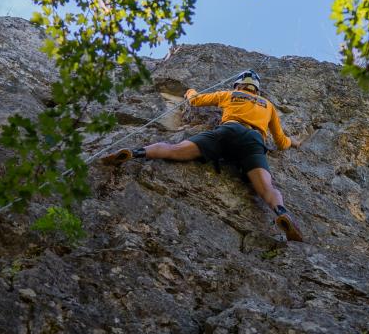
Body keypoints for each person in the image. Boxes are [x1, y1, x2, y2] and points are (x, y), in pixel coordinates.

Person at [101, 69, 304, 241]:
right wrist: (294, 142)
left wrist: (190, 91)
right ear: (257, 89)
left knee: (175, 150)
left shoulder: (229, 95)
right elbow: (281, 141)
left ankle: (136, 152)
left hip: (227, 131)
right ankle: (281, 213)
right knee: (267, 187)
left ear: (238, 86)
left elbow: (196, 101)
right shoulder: (267, 106)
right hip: (253, 140)